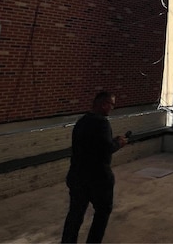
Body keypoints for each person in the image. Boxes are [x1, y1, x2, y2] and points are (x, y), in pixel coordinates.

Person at [61, 92, 128, 243]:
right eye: (111, 104)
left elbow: (90, 145)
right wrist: (119, 143)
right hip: (98, 178)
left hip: (77, 175)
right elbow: (105, 148)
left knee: (75, 215)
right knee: (102, 213)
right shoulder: (102, 123)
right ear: (104, 104)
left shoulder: (81, 122)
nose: (112, 108)